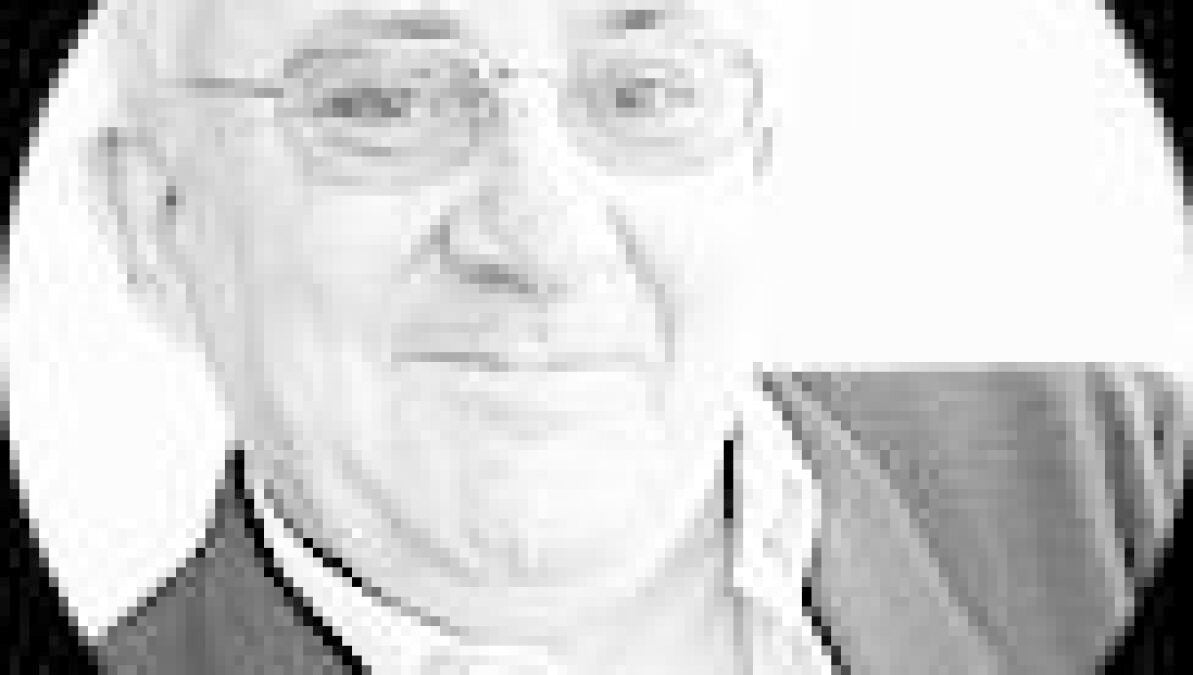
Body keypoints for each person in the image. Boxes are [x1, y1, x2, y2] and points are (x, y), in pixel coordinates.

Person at [61, 0, 1187, 673]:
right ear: (155, 222)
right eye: (384, 102)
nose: (543, 238)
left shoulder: (1120, 497)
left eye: (643, 92)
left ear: (754, 159)